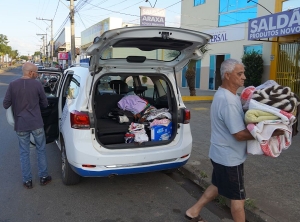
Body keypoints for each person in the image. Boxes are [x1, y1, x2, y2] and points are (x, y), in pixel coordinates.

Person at [185, 59, 283, 222]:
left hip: (220, 154)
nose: (244, 77)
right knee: (238, 200)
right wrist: (269, 133)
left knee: (217, 186)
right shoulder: (229, 101)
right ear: (227, 75)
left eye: (243, 73)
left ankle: (193, 211)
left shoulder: (224, 94)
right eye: (240, 73)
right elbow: (238, 134)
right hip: (229, 159)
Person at [3, 62, 52, 189]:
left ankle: (27, 181)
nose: (37, 75)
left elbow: (5, 104)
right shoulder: (37, 84)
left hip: (21, 124)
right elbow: (45, 103)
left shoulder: (13, 85)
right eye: (36, 72)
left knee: (24, 152)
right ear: (30, 73)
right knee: (40, 149)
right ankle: (43, 177)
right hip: (36, 123)